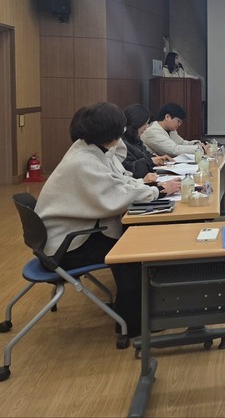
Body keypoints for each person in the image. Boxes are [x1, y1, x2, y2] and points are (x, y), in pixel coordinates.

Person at [35, 102, 181, 337]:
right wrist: (159, 191)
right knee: (131, 252)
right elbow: (115, 197)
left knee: (133, 240)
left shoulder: (89, 150)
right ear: (112, 133)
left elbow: (118, 180)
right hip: (65, 248)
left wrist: (152, 188)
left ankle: (136, 308)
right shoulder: (85, 161)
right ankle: (133, 323)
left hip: (69, 236)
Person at [121, 104, 174, 179]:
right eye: (145, 124)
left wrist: (157, 158)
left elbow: (145, 155)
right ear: (136, 123)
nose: (146, 127)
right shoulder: (121, 143)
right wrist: (150, 161)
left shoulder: (135, 140)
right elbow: (127, 169)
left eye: (147, 124)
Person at [141, 102, 205, 157]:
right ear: (167, 117)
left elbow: (181, 143)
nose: (179, 124)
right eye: (178, 121)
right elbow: (173, 150)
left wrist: (196, 144)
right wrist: (200, 148)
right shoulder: (152, 131)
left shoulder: (171, 130)